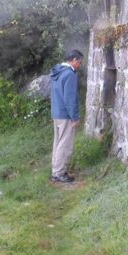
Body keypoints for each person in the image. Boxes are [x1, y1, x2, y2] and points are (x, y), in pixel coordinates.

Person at [49, 49, 83, 183]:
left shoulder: (57, 72)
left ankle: (55, 171)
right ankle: (59, 174)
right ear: (74, 60)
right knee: (65, 144)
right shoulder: (69, 74)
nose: (79, 65)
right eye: (79, 62)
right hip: (65, 115)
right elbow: (70, 98)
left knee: (58, 143)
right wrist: (74, 117)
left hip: (57, 113)